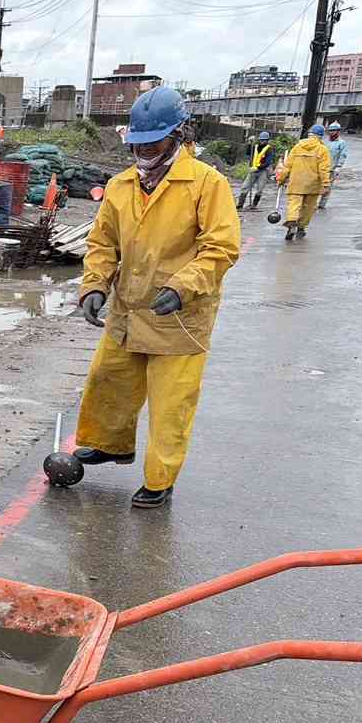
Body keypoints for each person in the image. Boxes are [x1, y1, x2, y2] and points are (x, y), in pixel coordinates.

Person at [74, 86, 241, 509]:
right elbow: (102, 243)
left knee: (171, 405)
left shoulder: (207, 184)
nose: (144, 150)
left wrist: (182, 287)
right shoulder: (120, 185)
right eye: (138, 142)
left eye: (154, 142)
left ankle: (160, 478)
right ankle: (110, 445)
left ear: (179, 134)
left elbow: (220, 247)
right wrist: (94, 285)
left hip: (180, 315)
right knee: (108, 380)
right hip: (129, 307)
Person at [275, 123, 332, 240]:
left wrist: (281, 179)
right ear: (321, 136)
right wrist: (326, 184)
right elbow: (324, 169)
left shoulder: (297, 147)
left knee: (294, 205)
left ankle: (291, 223)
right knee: (308, 207)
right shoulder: (322, 150)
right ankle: (301, 227)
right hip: (313, 184)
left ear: (310, 134)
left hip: (296, 182)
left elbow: (287, 166)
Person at [237, 131, 277, 210]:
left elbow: (268, 162)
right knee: (245, 187)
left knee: (259, 190)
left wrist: (258, 168)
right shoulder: (255, 147)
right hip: (252, 171)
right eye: (261, 140)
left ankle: (254, 205)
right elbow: (248, 153)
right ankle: (240, 205)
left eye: (264, 140)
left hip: (263, 172)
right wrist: (249, 143)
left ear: (267, 140)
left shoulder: (269, 149)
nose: (262, 141)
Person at [323, 121, 349, 203]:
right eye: (330, 131)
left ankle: (322, 203)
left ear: (338, 131)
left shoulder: (341, 143)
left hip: (332, 168)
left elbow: (343, 155)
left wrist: (339, 166)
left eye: (334, 130)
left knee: (327, 187)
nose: (331, 132)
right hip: (322, 168)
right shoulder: (325, 142)